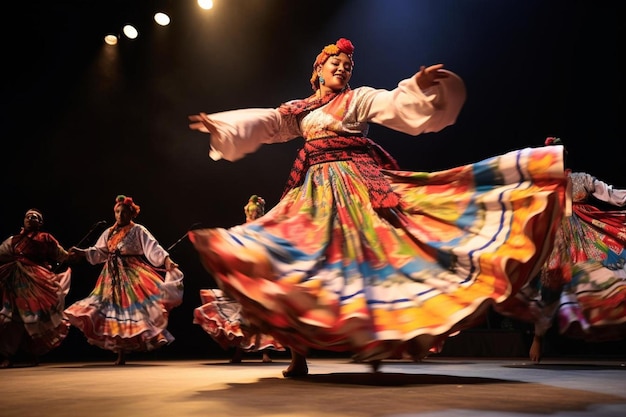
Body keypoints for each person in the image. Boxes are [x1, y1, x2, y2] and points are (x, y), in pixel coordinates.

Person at [187, 37, 568, 377]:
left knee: (367, 265)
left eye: (348, 66)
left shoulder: (359, 98)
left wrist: (417, 86)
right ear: (318, 70)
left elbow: (393, 104)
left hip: (357, 187)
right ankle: (297, 355)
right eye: (335, 63)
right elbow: (269, 124)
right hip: (314, 192)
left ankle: (374, 341)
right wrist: (223, 126)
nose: (342, 68)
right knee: (296, 264)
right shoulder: (300, 109)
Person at [500, 137, 626, 362]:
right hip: (555, 238)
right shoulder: (540, 185)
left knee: (607, 281)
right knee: (549, 287)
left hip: (585, 236)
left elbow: (614, 196)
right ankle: (538, 339)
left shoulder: (581, 179)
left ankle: (609, 329)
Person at [64, 195, 184, 365]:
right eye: (118, 212)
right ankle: (120, 353)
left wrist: (167, 261)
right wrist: (82, 252)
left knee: (136, 309)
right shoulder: (110, 232)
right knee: (113, 312)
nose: (120, 215)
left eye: (124, 212)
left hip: (132, 273)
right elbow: (100, 252)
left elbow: (153, 247)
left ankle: (148, 339)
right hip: (111, 275)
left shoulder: (138, 230)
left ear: (131, 214)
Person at [194, 194, 286, 363]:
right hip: (246, 276)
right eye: (249, 212)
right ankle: (239, 352)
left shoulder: (264, 229)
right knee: (241, 315)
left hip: (259, 276)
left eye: (255, 212)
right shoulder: (243, 229)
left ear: (260, 213)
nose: (251, 215)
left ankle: (265, 352)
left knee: (261, 314)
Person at [0, 208, 71, 368]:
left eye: (35, 217)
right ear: (23, 220)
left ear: (40, 223)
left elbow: (61, 255)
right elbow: (1, 254)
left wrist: (71, 255)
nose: (31, 218)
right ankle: (7, 356)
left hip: (37, 281)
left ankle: (34, 354)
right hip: (15, 281)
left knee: (33, 318)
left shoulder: (45, 238)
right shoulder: (14, 240)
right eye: (28, 216)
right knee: (11, 318)